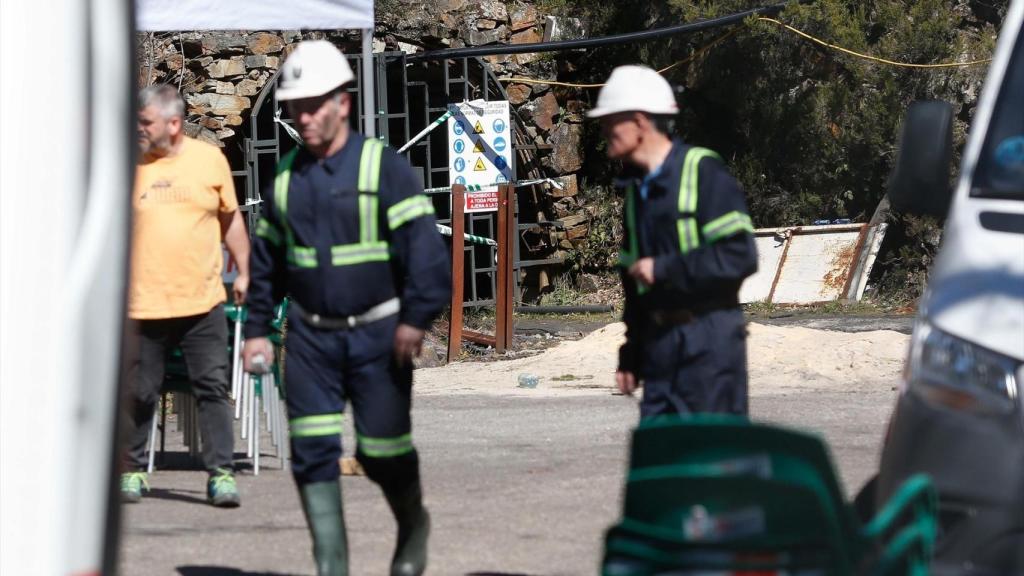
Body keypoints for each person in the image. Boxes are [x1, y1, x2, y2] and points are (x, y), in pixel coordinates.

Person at [242, 40, 450, 576]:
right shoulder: (285, 179)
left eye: (314, 104)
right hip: (311, 340)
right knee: (311, 454)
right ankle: (331, 567)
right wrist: (258, 331)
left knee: (381, 453)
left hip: (379, 337)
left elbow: (427, 255)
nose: (303, 116)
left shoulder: (385, 169)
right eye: (295, 106)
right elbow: (266, 266)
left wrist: (414, 319)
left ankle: (413, 526)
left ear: (344, 104)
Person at [587, 65, 758, 418]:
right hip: (661, 346)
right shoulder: (637, 192)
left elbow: (740, 256)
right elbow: (634, 286)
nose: (604, 130)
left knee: (708, 465)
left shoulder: (702, 172)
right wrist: (632, 351)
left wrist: (664, 269)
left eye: (611, 121)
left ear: (639, 121)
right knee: (662, 461)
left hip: (709, 346)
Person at [122, 84, 251, 506]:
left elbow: (230, 220)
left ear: (173, 124)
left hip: (201, 302)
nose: (138, 129)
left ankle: (221, 475)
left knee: (211, 387)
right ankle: (133, 470)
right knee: (139, 391)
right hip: (143, 303)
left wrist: (245, 269)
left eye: (146, 122)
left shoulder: (209, 161)